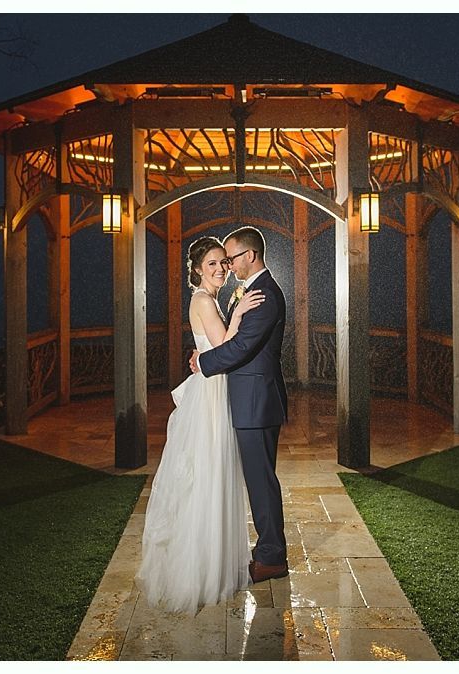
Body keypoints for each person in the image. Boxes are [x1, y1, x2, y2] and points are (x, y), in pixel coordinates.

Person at [135, 236, 266, 614]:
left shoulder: (211, 300)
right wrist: (240, 312)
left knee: (216, 472)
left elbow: (210, 345)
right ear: (197, 270)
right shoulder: (204, 300)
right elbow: (224, 343)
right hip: (210, 395)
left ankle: (215, 560)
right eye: (212, 264)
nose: (221, 269)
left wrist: (219, 329)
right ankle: (201, 569)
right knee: (209, 473)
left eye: (224, 263)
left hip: (213, 388)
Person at [191, 226, 289, 584]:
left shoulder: (264, 295)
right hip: (249, 399)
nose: (228, 266)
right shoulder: (251, 290)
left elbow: (242, 347)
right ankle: (269, 551)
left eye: (231, 258)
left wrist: (204, 363)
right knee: (258, 479)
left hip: (256, 401)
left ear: (250, 256)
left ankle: (271, 558)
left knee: (261, 481)